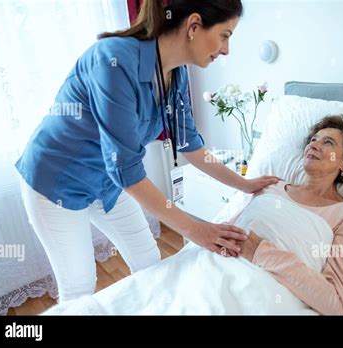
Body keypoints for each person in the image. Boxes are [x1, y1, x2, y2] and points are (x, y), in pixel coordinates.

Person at [15, 0, 279, 302]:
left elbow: (190, 144)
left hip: (108, 184)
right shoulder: (113, 60)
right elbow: (126, 169)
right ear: (194, 26)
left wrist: (244, 184)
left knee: (150, 262)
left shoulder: (176, 74)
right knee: (79, 288)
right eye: (225, 35)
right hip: (56, 182)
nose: (225, 49)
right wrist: (197, 229)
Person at [233, 115, 343, 314]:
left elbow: (337, 302)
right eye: (313, 140)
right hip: (215, 265)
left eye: (328, 142)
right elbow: (226, 230)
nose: (314, 145)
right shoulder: (271, 186)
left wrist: (261, 252)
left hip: (257, 295)